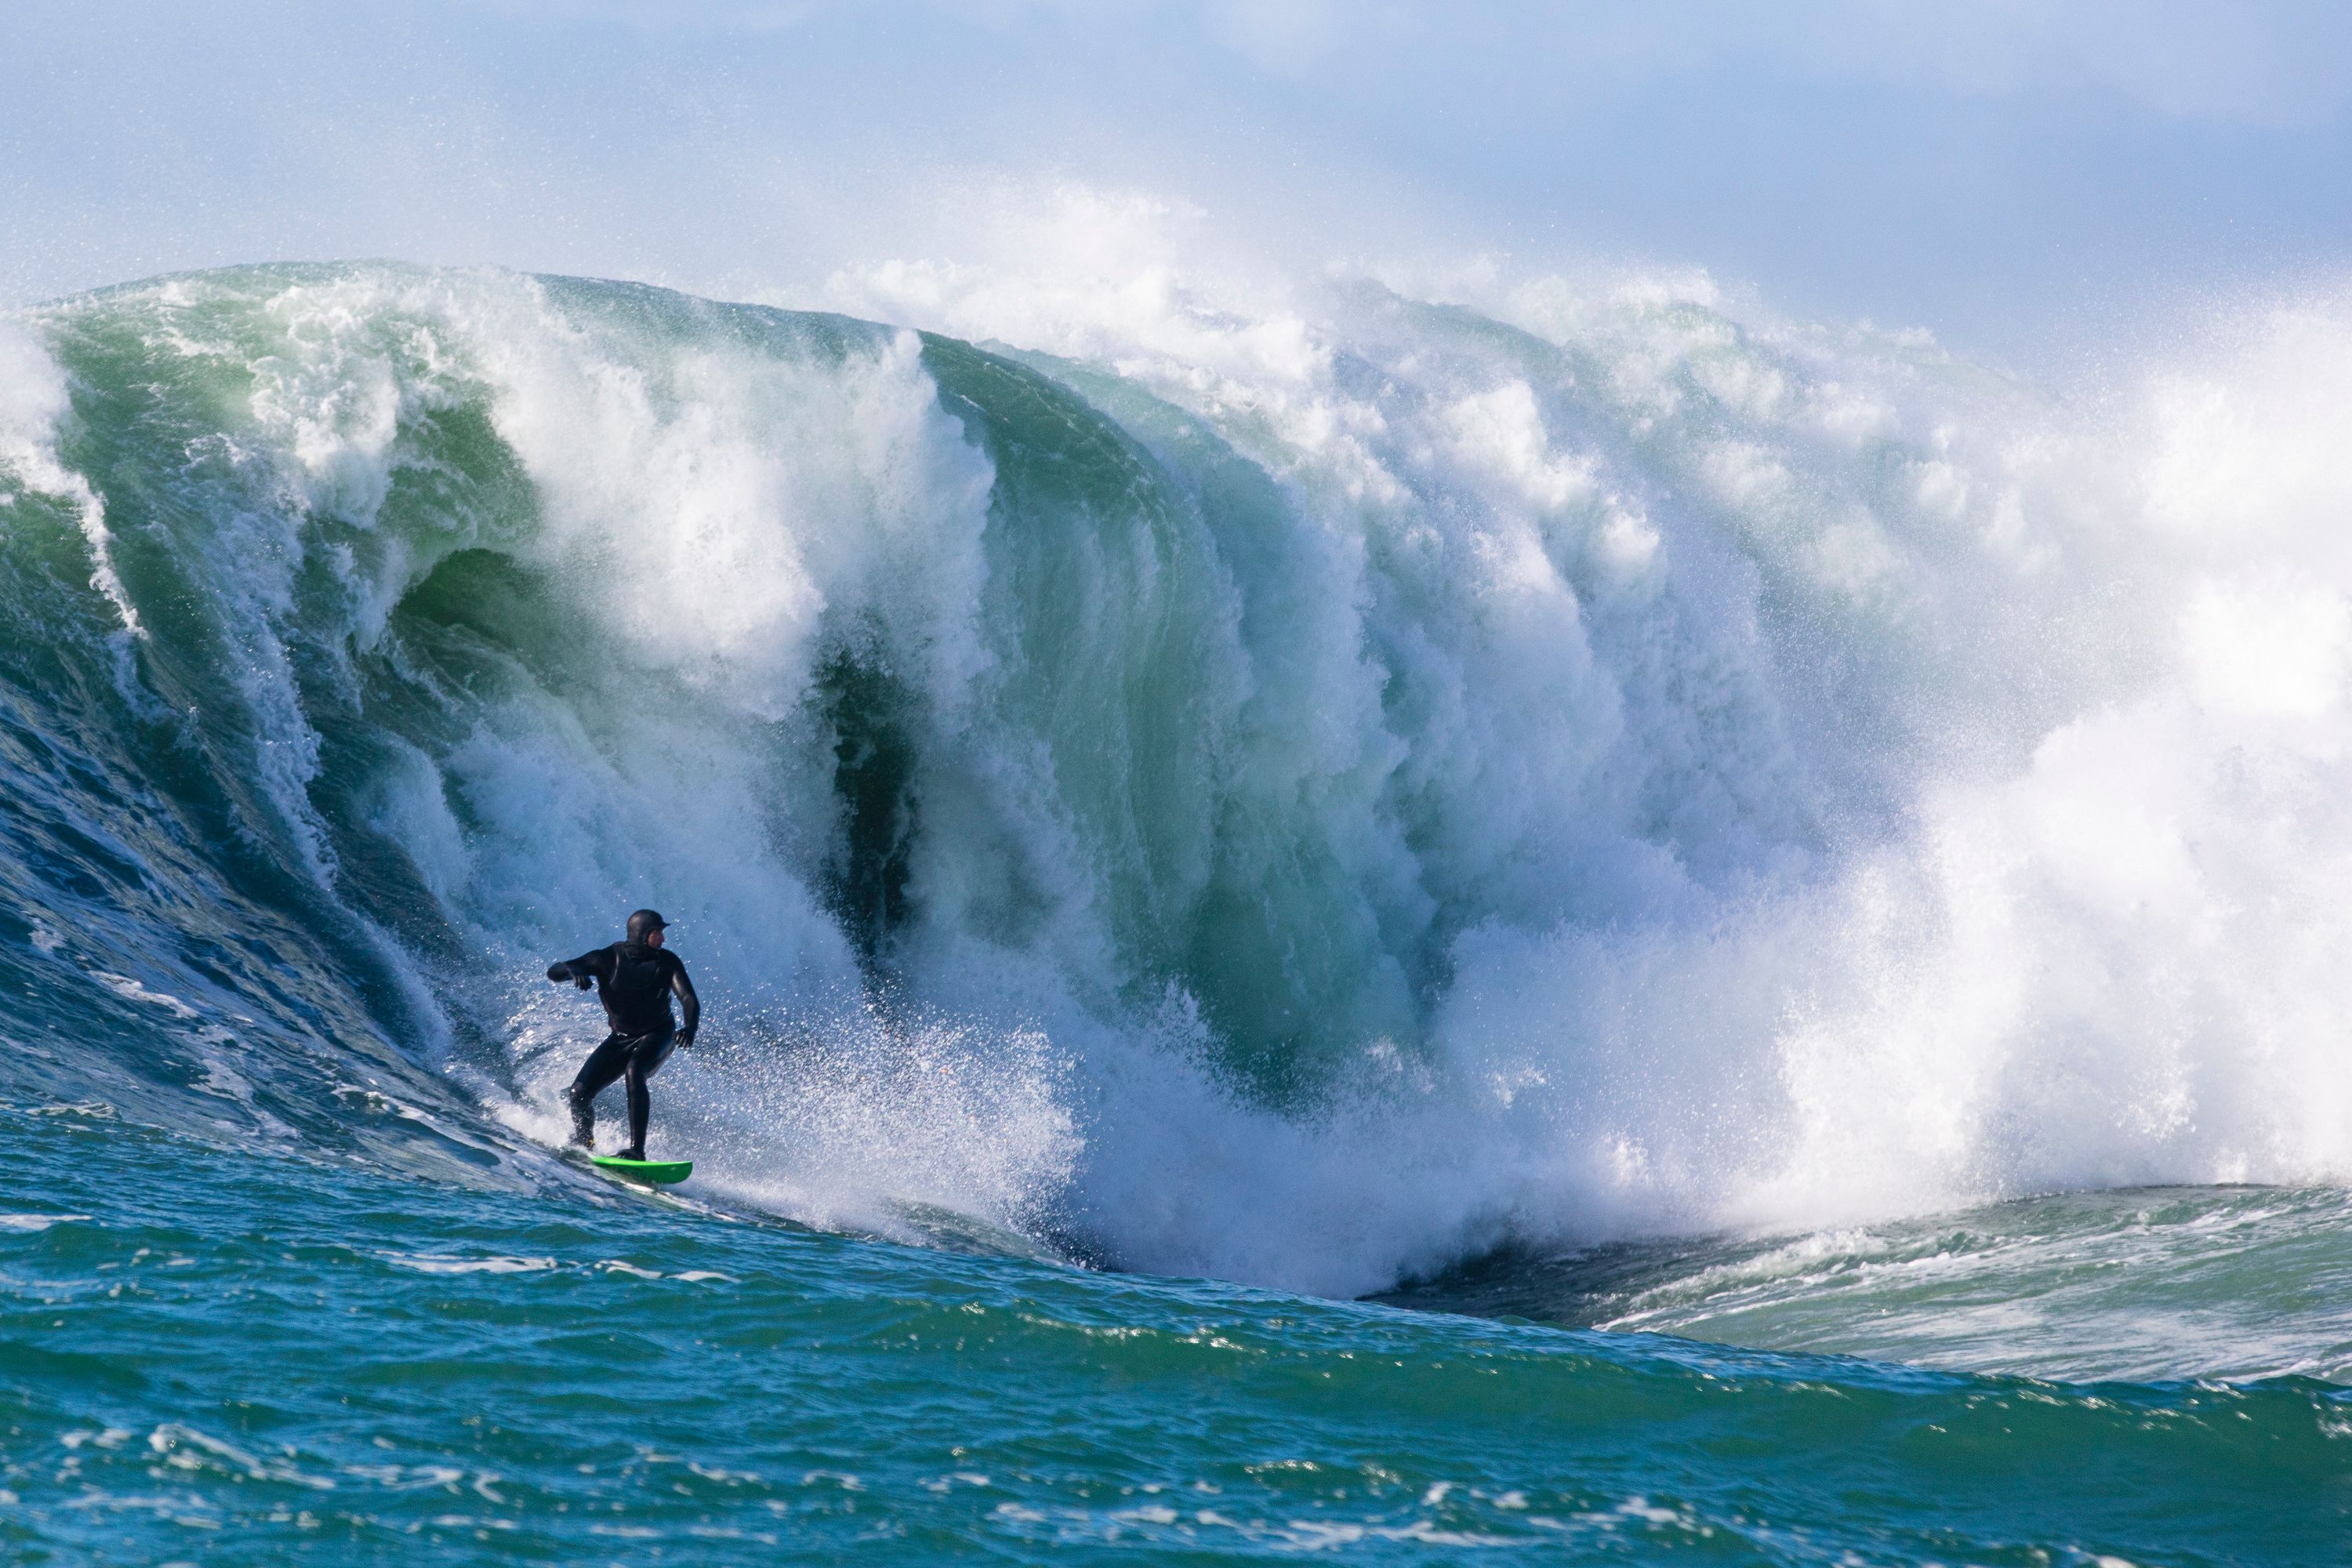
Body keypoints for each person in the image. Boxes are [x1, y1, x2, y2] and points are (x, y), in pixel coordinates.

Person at [546, 908, 699, 1160]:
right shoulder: (607, 959)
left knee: (635, 1071)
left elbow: (688, 998)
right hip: (622, 1037)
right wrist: (572, 972)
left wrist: (690, 1027)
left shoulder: (667, 962)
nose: (663, 939)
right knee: (579, 1094)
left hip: (659, 1033)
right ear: (642, 934)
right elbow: (555, 971)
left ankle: (637, 1151)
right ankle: (586, 1143)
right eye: (657, 933)